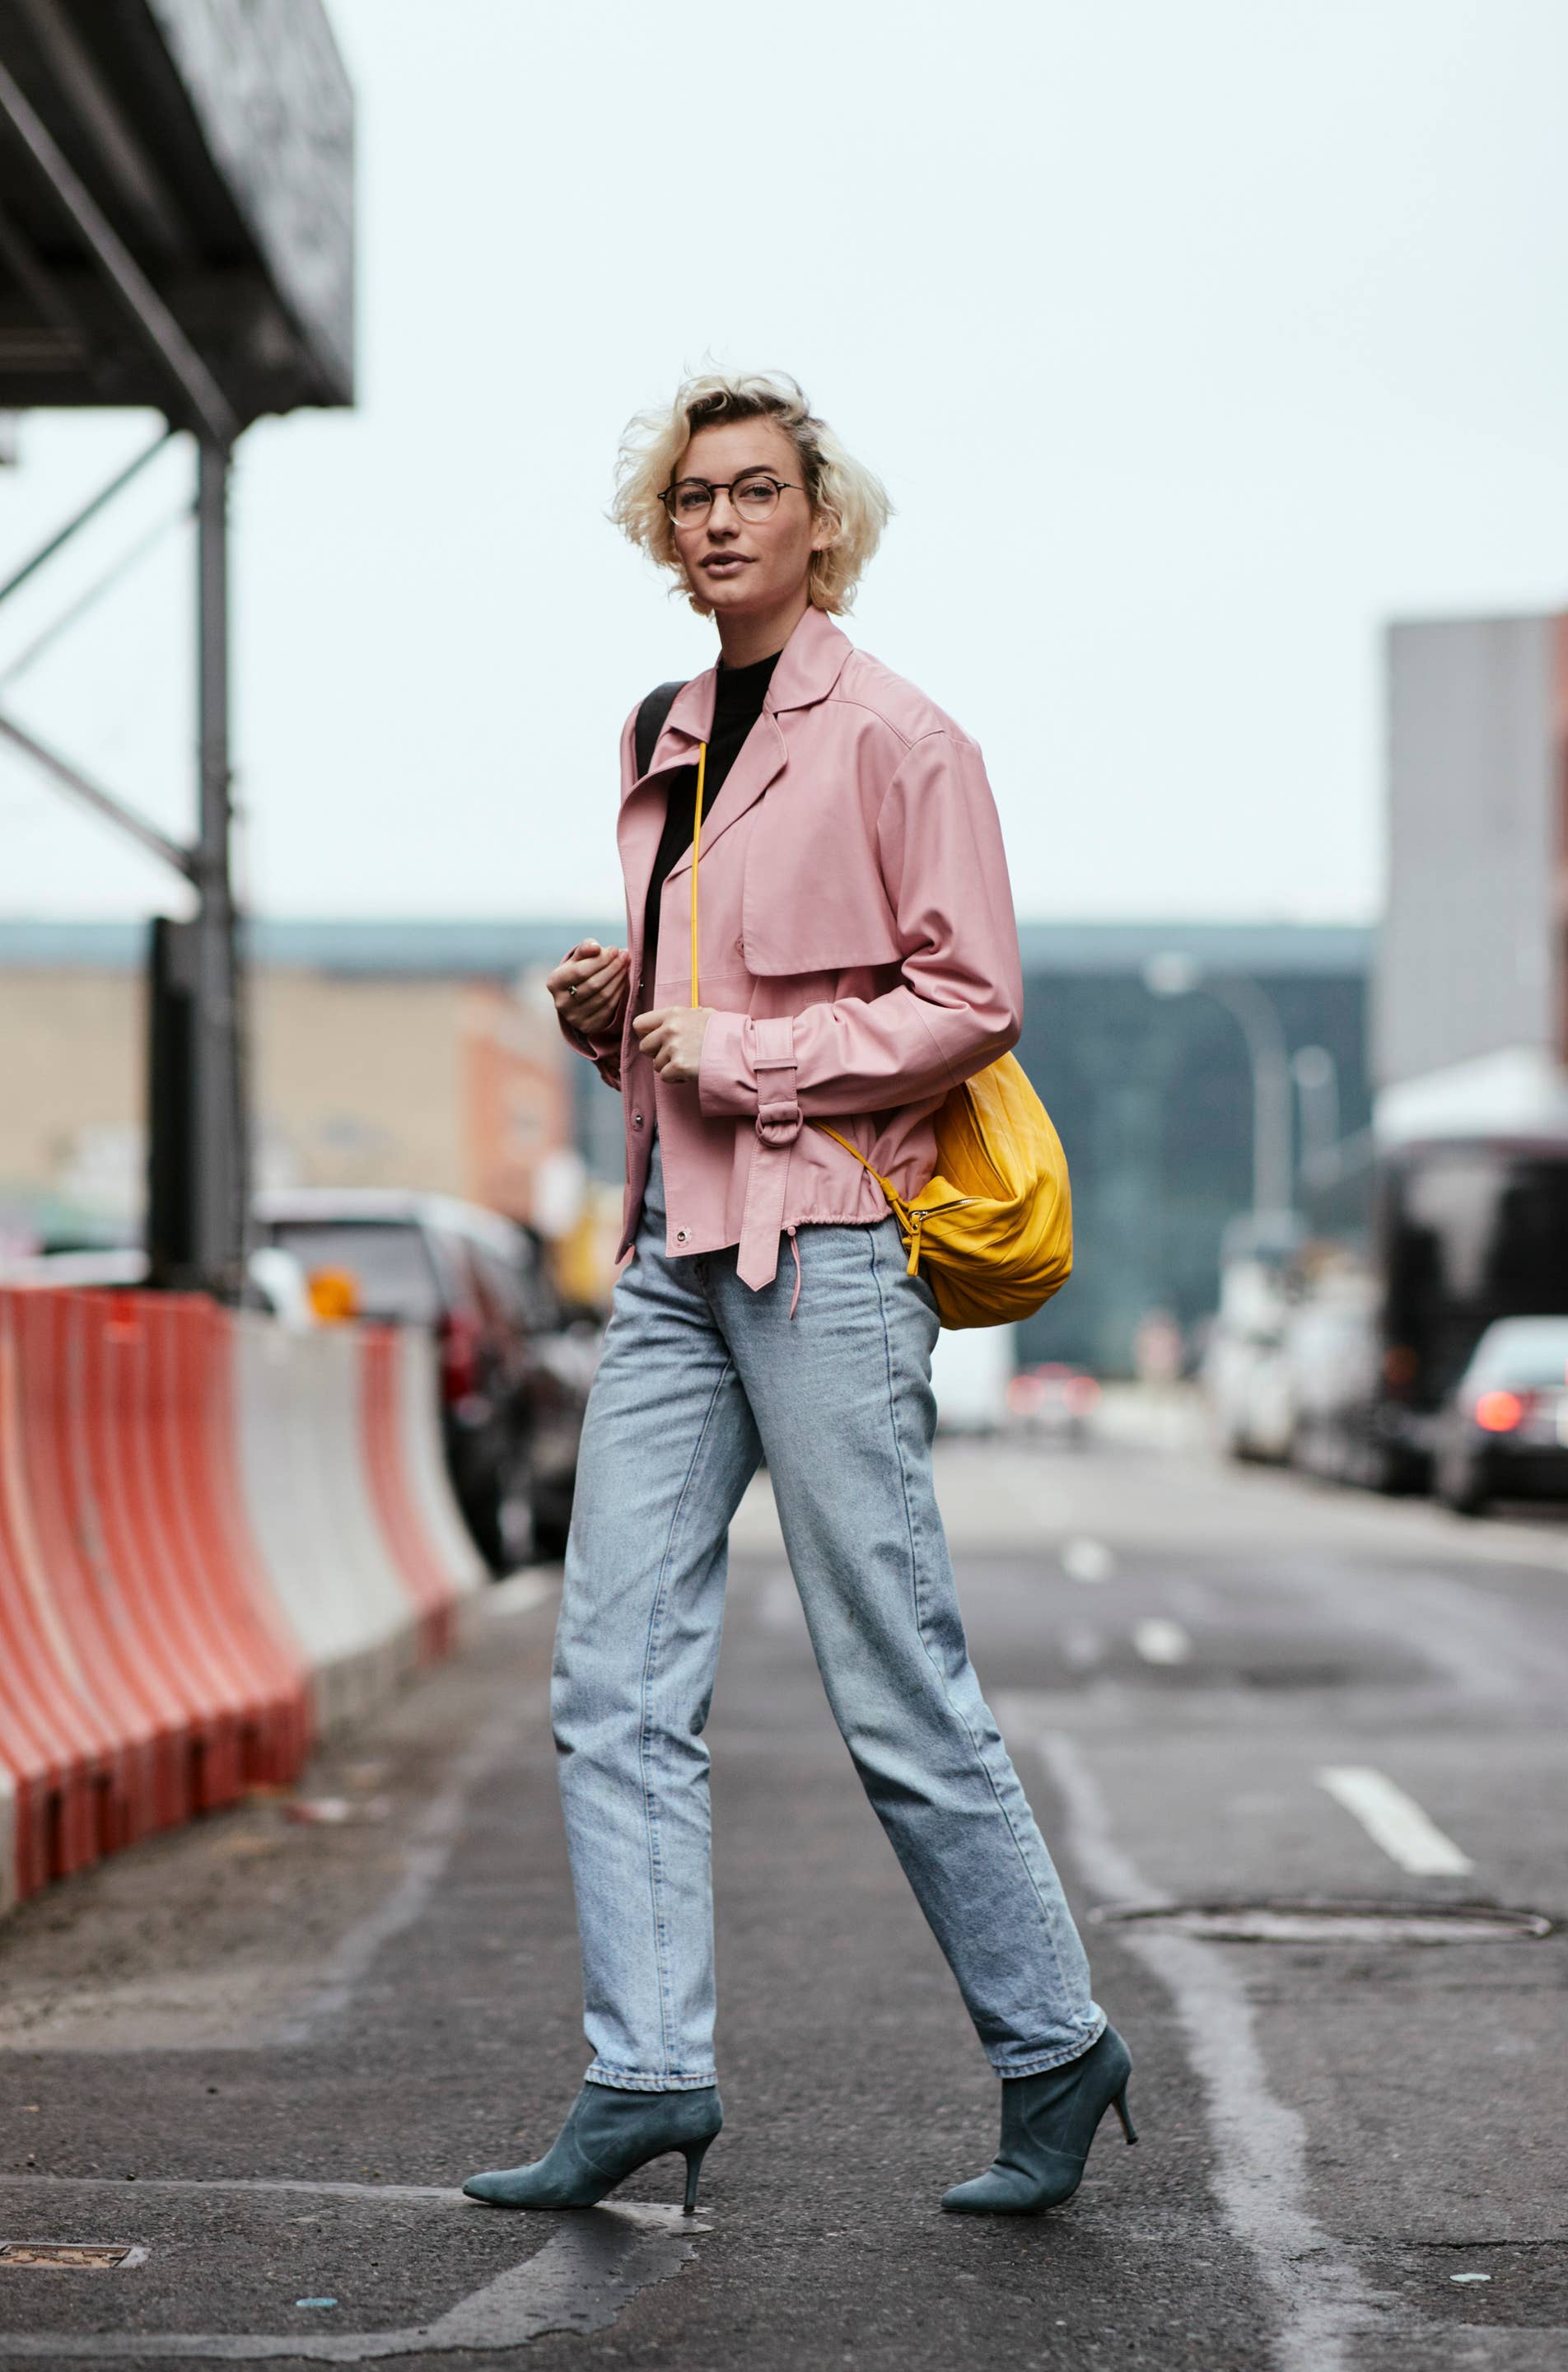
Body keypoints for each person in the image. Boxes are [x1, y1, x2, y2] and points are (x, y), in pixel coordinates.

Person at [464, 371, 1133, 2219]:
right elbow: (706, 1000)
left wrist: (753, 1054)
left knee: (893, 1681)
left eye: (755, 491)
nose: (718, 521)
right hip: (673, 1252)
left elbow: (972, 998)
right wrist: (619, 1015)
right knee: (610, 1677)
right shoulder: (663, 729)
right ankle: (645, 2074)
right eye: (692, 497)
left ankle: (1056, 2047)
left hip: (832, 1246)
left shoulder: (904, 738)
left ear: (821, 521)